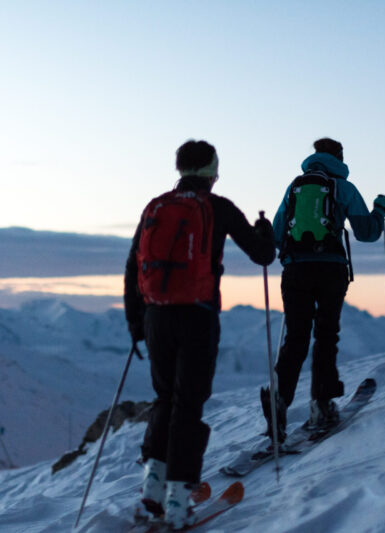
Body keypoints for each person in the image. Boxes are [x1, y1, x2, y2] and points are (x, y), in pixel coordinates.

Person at [124, 140, 275, 529]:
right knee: (189, 405)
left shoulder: (156, 207)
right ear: (212, 171)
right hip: (197, 316)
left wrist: (136, 323)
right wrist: (264, 231)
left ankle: (151, 494)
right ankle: (178, 501)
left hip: (157, 316)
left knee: (165, 399)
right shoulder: (218, 207)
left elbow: (133, 266)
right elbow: (262, 255)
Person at [261, 137, 385, 441]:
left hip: (295, 269)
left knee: (295, 337)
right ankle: (322, 404)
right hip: (331, 269)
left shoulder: (294, 187)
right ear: (340, 157)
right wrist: (380, 211)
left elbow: (279, 233)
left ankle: (278, 402)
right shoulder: (344, 187)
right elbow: (367, 233)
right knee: (326, 334)